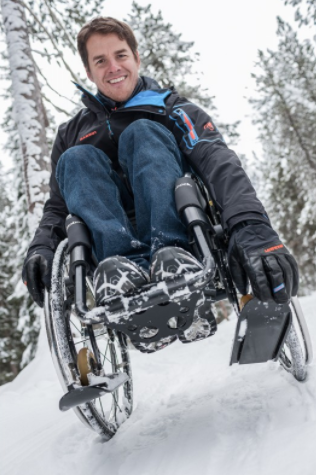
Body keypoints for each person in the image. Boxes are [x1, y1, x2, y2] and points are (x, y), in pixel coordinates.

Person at [22, 16, 298, 312]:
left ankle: (170, 254)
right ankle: (123, 269)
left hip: (180, 227)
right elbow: (58, 206)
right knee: (75, 158)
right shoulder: (70, 134)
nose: (113, 68)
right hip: (109, 253)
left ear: (136, 58)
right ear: (89, 72)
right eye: (100, 61)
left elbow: (217, 161)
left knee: (142, 131)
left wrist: (250, 224)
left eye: (121, 55)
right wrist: (42, 246)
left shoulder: (172, 108)